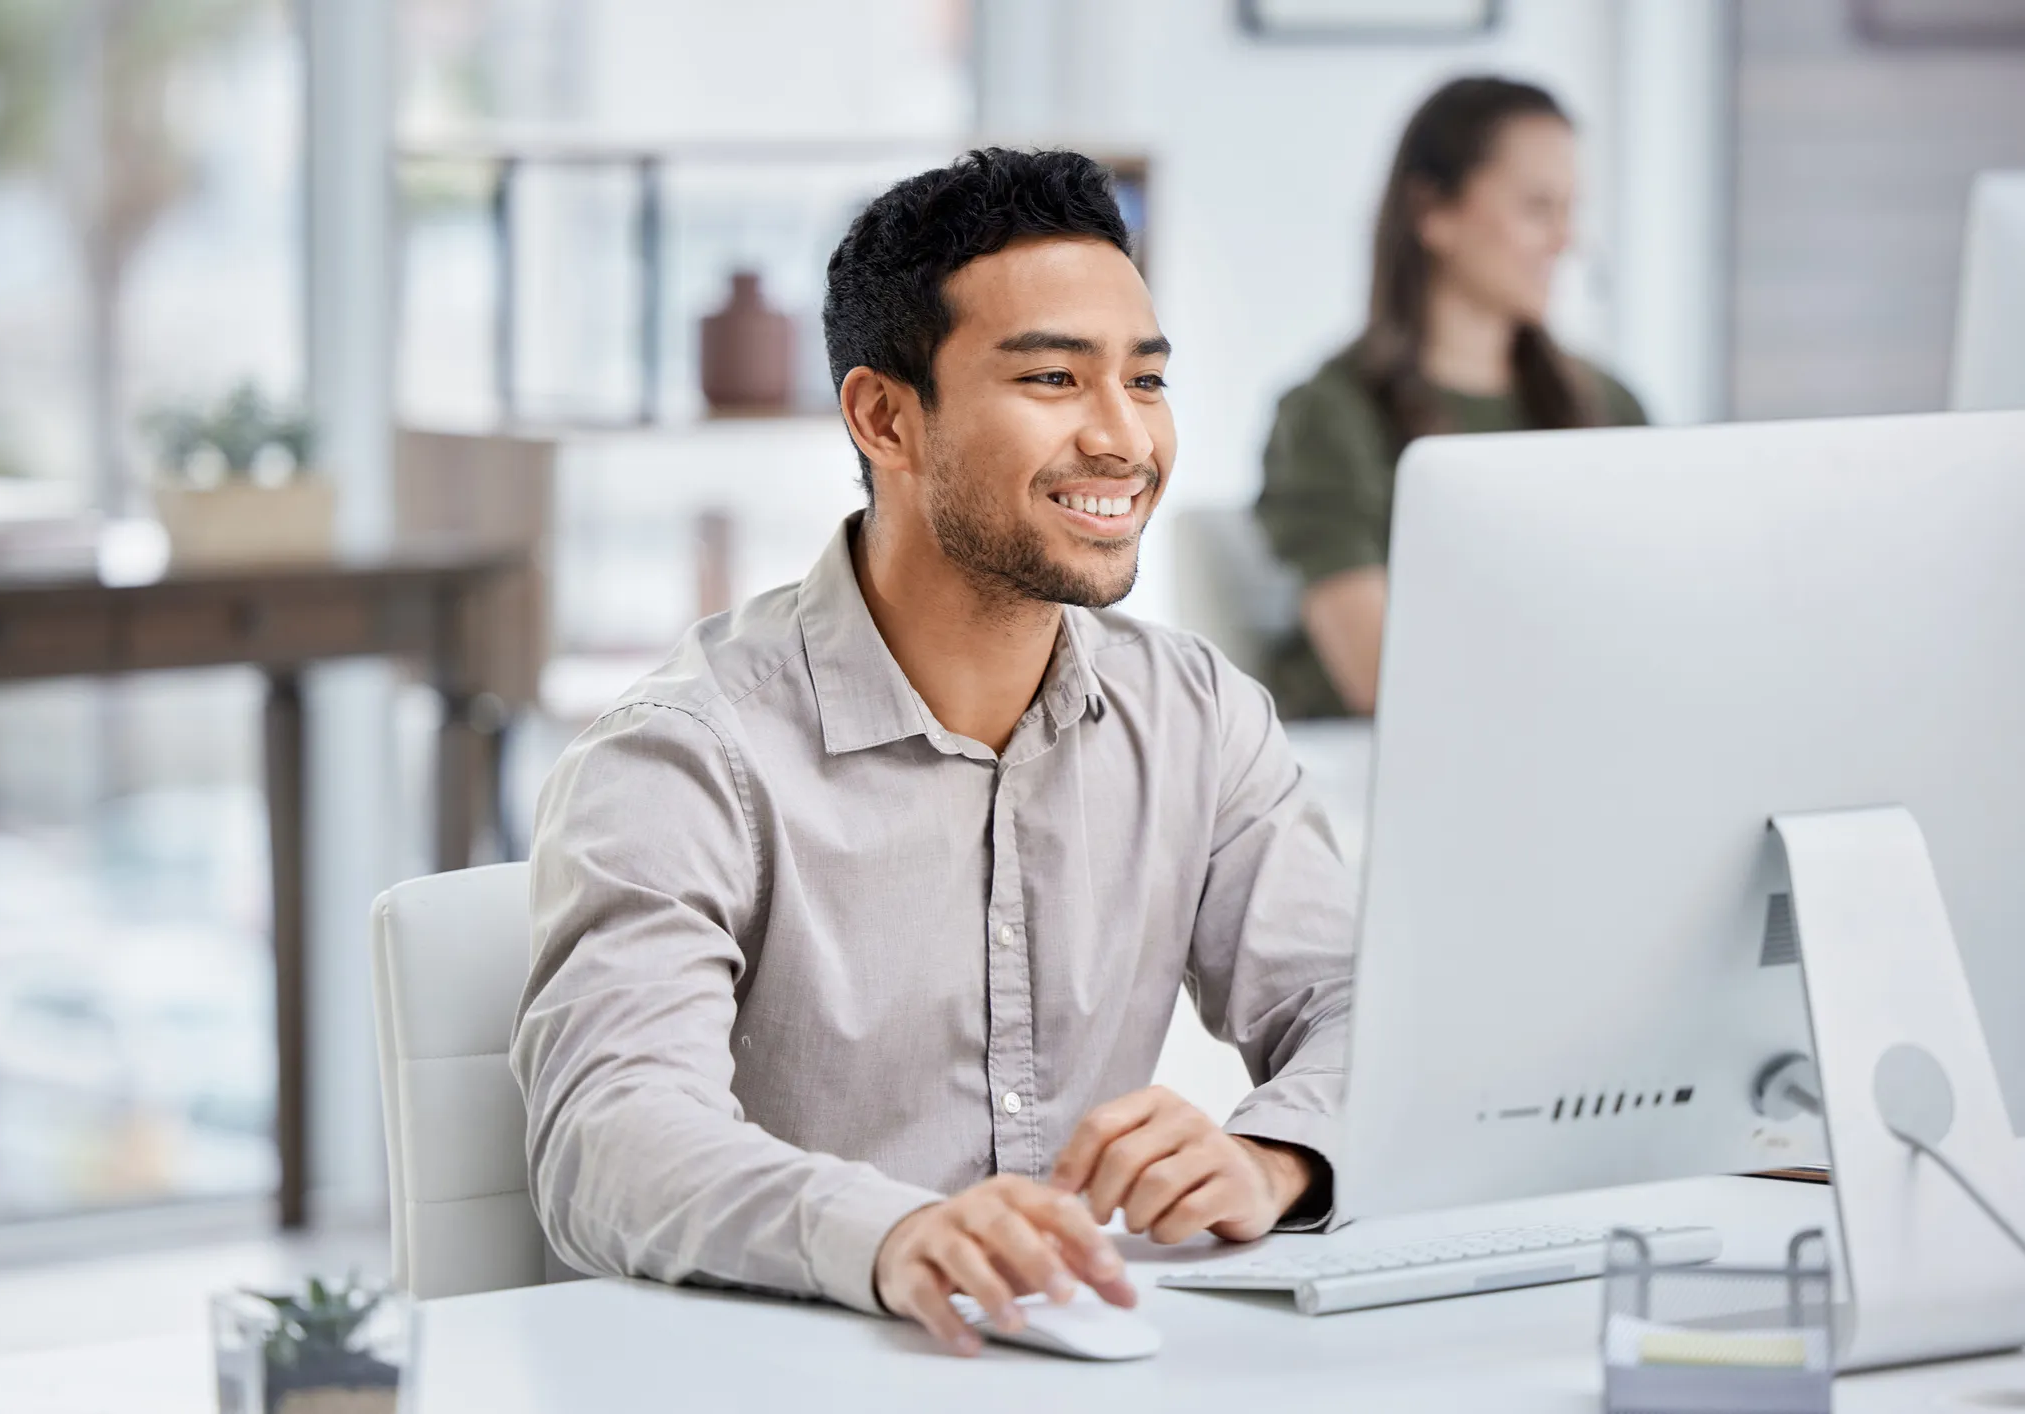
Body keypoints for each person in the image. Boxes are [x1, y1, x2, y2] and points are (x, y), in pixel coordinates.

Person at [513, 149, 1355, 1357]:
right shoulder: (682, 754)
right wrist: (888, 1234)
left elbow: (1349, 1001)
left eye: (1146, 379)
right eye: (1055, 378)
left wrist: (1272, 1154)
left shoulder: (1195, 713)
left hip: (1078, 1362)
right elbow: (609, 1135)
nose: (1122, 438)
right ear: (883, 417)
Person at [1256, 76, 1647, 719]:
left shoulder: (1608, 404)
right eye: (1537, 208)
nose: (1565, 239)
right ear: (1432, 212)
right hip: (1376, 773)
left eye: (1571, 209)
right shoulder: (1328, 415)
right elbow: (1378, 675)